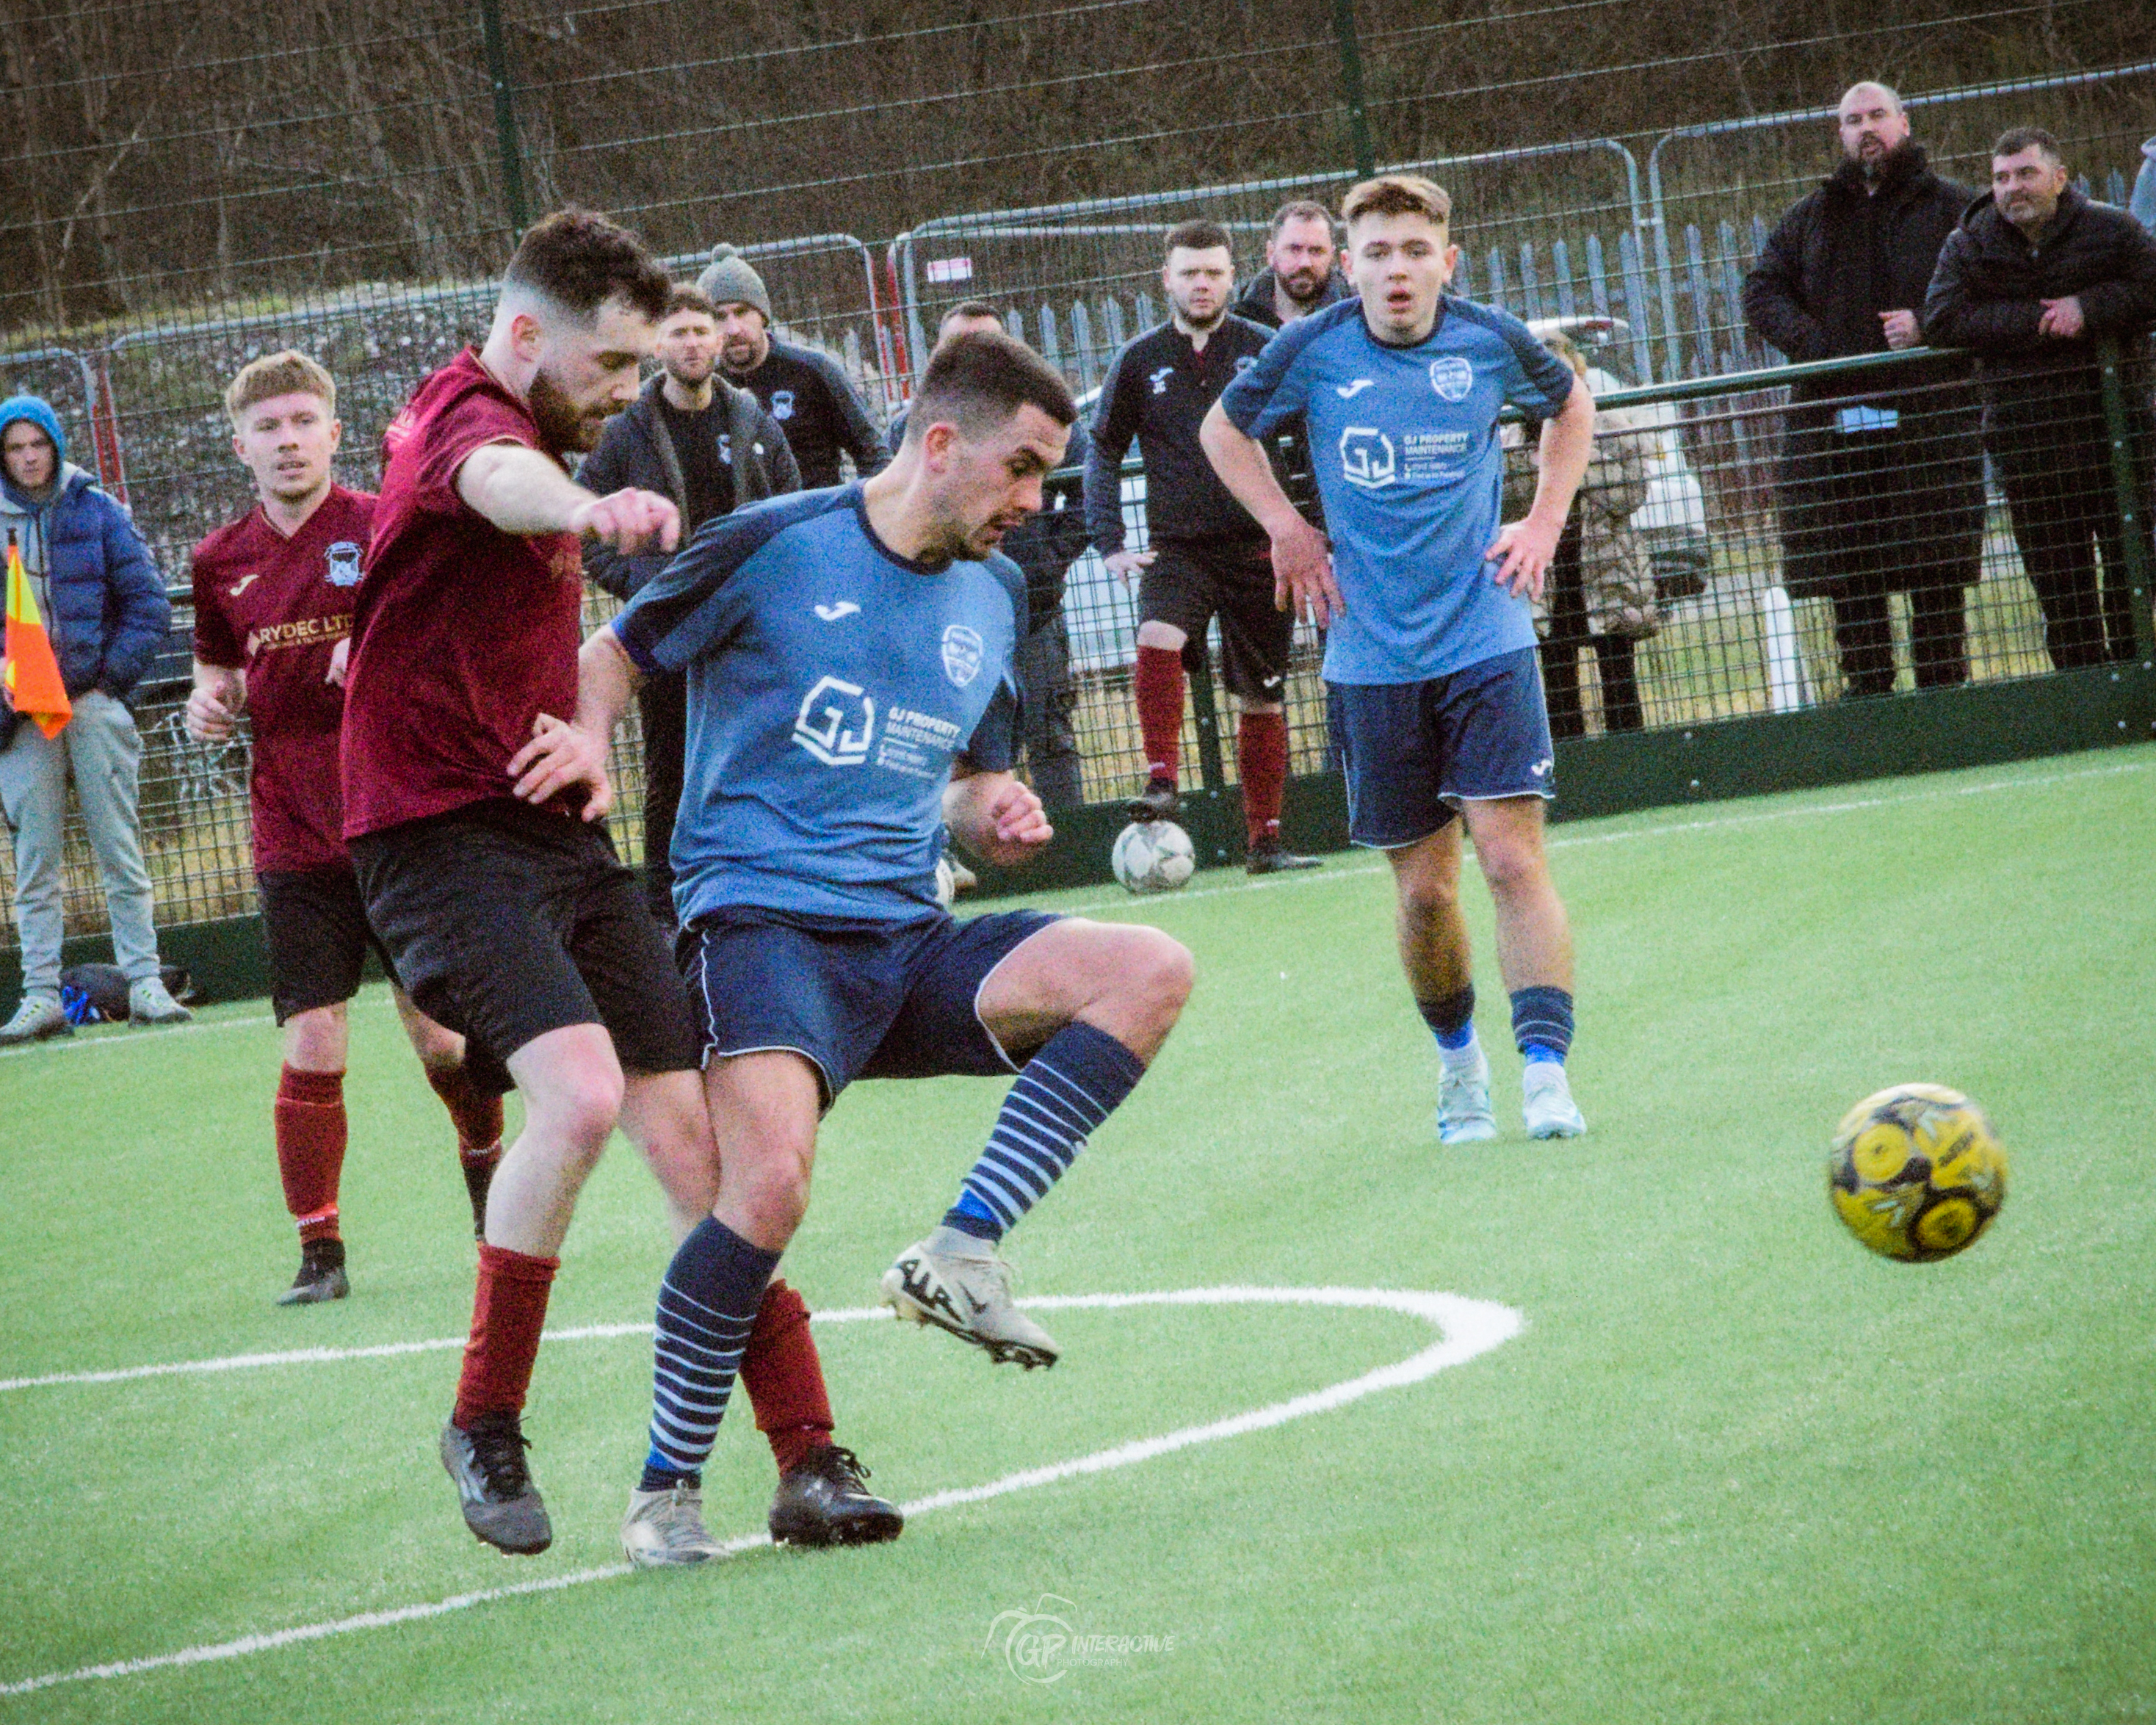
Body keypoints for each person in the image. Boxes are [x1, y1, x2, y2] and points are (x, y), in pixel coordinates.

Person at [513, 331, 1192, 1550]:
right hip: (759, 923)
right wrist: (586, 742)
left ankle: (963, 1251)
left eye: (1048, 476)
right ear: (941, 443)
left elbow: (969, 780)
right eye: (1022, 468)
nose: (1034, 499)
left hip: (908, 936)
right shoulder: (776, 541)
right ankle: (666, 1488)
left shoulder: (995, 591)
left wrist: (994, 810)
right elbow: (611, 653)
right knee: (766, 1188)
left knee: (1148, 968)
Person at [342, 209, 895, 1563]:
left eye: (641, 366)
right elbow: (496, 485)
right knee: (581, 1095)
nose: (624, 392)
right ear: (527, 333)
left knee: (700, 1151)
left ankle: (808, 1457)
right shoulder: (468, 424)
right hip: (432, 833)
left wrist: (584, 727)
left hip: (553, 827)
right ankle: (484, 1418)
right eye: (608, 366)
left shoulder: (531, 418)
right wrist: (587, 505)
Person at [1201, 174, 1596, 1143]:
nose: (1397, 271)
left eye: (1416, 252)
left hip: (1485, 635)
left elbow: (1571, 405)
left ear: (1446, 262)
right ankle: (1460, 1066)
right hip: (1370, 656)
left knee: (1509, 860)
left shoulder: (1489, 340)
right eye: (1376, 254)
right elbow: (1222, 431)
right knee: (1424, 894)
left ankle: (1545, 1074)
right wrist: (1286, 527)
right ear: (1349, 268)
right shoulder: (1313, 348)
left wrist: (1543, 521)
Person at [187, 350, 511, 1305]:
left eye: (303, 423)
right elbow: (217, 672)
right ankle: (320, 1255)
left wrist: (379, 655)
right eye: (268, 427)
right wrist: (209, 703)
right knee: (314, 1044)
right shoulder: (217, 561)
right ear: (241, 446)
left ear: (334, 434)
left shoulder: (382, 527)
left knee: (445, 1049)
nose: (288, 442)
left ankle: (488, 1177)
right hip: (294, 837)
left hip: (397, 823)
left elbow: (452, 637)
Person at [1086, 219, 1320, 873]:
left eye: (1214, 272)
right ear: (1166, 279)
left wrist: (1310, 527)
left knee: (1264, 696)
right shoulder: (1139, 359)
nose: (1202, 284)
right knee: (1157, 634)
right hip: (1179, 548)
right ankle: (1162, 780)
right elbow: (1103, 449)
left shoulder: (1265, 348)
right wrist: (1110, 541)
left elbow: (1313, 431)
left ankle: (1265, 842)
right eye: (1189, 273)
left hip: (1259, 551)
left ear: (1232, 276)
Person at [1742, 82, 1984, 698]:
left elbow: (1992, 287)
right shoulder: (1811, 215)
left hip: (1930, 421)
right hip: (1834, 424)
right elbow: (1762, 290)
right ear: (1841, 133)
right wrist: (1813, 342)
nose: (1866, 128)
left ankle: (1945, 695)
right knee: (1850, 575)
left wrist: (1929, 325)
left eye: (1878, 115)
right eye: (1854, 120)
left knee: (1935, 569)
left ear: (1905, 122)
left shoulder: (1956, 207)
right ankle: (1868, 698)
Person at [581, 284, 800, 927]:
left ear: (717, 340)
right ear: (657, 346)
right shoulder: (625, 431)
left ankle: (764, 894)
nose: (693, 343)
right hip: (667, 632)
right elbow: (583, 521)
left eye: (702, 331)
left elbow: (792, 505)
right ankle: (665, 913)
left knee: (762, 760)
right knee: (671, 774)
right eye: (677, 332)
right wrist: (639, 585)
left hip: (747, 630)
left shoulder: (752, 421)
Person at [1924, 126, 2156, 669]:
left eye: (2026, 174)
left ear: (2059, 178)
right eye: (2001, 178)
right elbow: (1941, 318)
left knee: (2133, 578)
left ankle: (2137, 688)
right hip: (2027, 445)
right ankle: (2082, 691)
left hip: (2119, 434)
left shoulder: (2113, 229)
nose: (2012, 188)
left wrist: (2087, 308)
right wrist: (2037, 321)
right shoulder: (1968, 243)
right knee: (2062, 595)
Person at [0, 395, 192, 1044]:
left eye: (38, 444)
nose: (29, 457)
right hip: (22, 715)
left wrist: (108, 685)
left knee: (120, 849)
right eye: (15, 447)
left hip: (93, 707)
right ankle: (40, 995)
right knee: (34, 863)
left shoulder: (99, 509)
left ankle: (144, 982)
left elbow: (149, 604)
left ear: (55, 445)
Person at [888, 300, 1089, 811]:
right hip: (943, 614)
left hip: (1034, 610)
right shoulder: (906, 430)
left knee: (1049, 733)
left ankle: (1064, 843)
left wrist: (1047, 558)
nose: (1030, 499)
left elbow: (1089, 495)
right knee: (939, 743)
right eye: (964, 347)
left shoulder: (1049, 428)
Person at [1515, 332, 1658, 736]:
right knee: (1557, 673)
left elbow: (1631, 492)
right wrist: (1540, 453)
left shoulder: (1610, 421)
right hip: (1548, 572)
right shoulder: (1514, 431)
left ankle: (1630, 752)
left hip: (1606, 566)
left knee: (1618, 672)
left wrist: (1572, 456)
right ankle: (1569, 755)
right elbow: (1511, 499)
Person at [695, 244, 889, 491]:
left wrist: (860, 505)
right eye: (720, 317)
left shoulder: (812, 370)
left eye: (742, 312)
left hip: (816, 509)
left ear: (763, 316)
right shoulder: (702, 387)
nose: (733, 329)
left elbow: (873, 453)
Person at [1231, 200, 1353, 330]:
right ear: (1271, 253)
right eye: (1294, 249)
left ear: (1332, 256)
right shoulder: (1239, 324)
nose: (1305, 263)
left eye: (1317, 251)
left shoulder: (1355, 318)